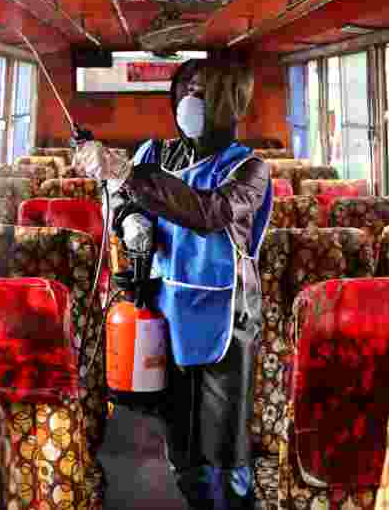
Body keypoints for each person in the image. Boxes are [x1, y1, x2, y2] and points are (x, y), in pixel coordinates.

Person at [75, 58, 272, 510]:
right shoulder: (155, 154)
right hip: (165, 306)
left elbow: (209, 212)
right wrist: (129, 221)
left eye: (201, 91)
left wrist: (125, 173)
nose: (189, 101)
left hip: (227, 315)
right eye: (184, 89)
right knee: (178, 434)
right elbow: (124, 204)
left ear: (228, 102)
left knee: (223, 444)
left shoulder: (249, 169)